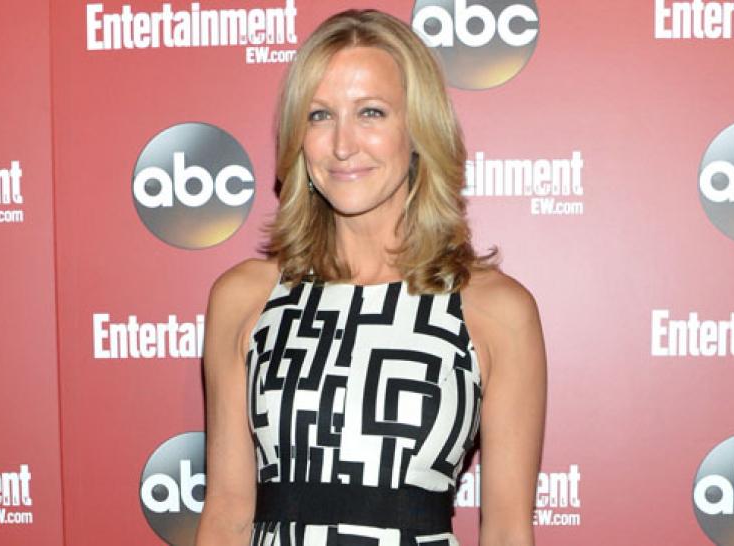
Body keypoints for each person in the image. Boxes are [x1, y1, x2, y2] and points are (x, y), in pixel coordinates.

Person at [196, 8, 546, 546]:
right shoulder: (246, 298)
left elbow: (505, 531)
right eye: (319, 115)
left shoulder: (495, 309)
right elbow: (227, 515)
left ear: (418, 129)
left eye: (371, 113)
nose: (342, 145)